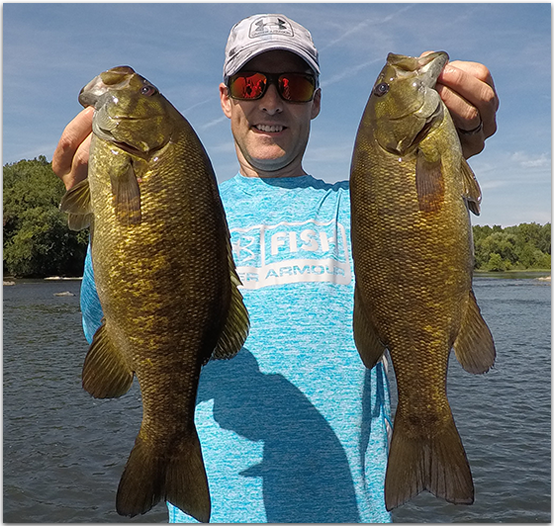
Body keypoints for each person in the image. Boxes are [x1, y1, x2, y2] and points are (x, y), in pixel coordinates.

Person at [52, 13, 499, 523]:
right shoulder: (187, 207)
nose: (270, 101)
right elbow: (107, 326)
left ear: (316, 100)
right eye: (251, 84)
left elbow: (421, 233)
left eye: (293, 84)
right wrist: (103, 217)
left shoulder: (363, 205)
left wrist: (455, 128)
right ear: (226, 98)